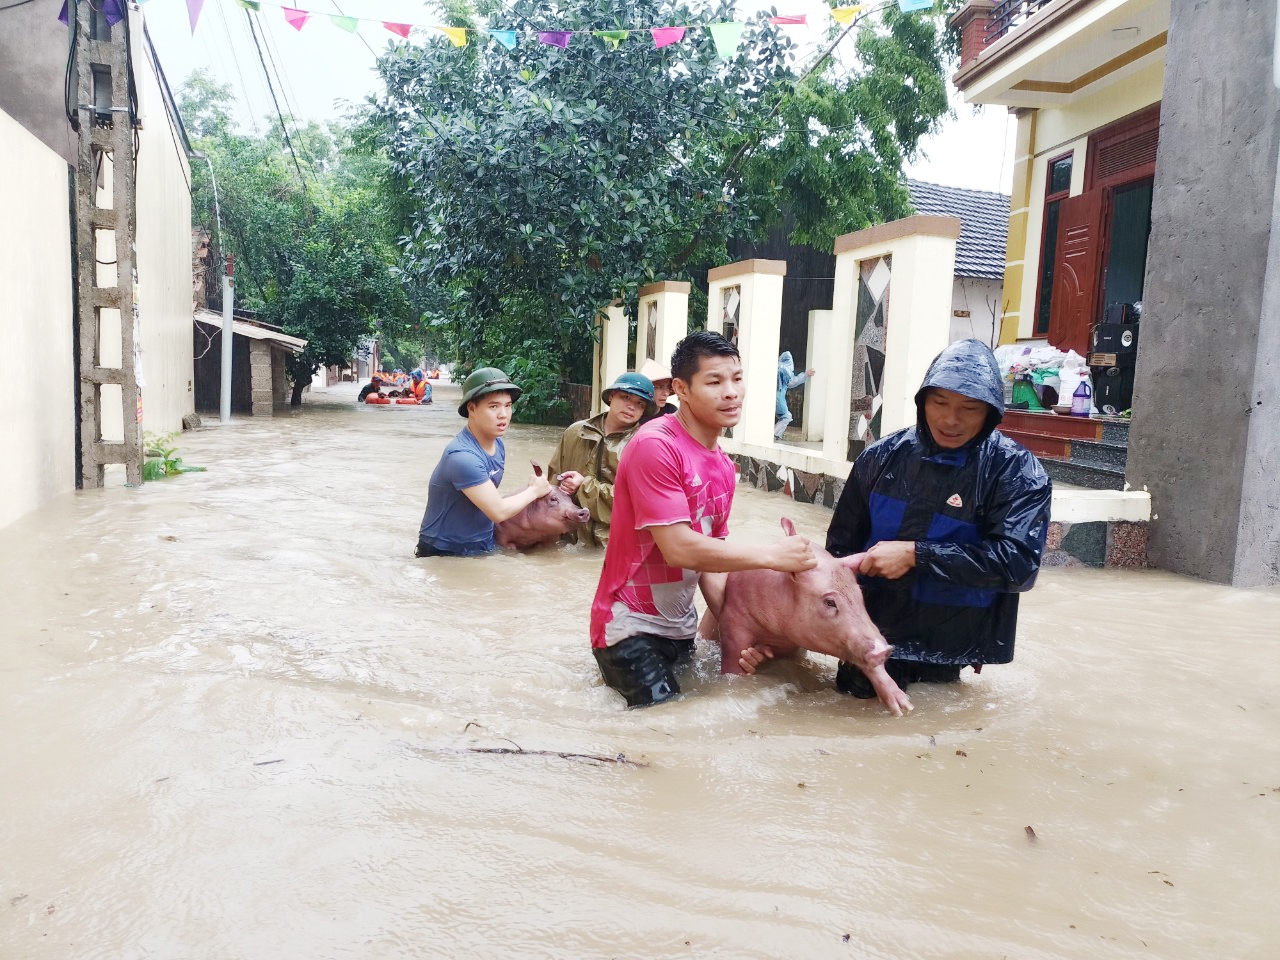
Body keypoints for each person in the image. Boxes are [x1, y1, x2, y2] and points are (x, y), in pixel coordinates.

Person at [589, 331, 818, 708]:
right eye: (714, 382)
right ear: (681, 389)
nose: (731, 392)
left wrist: (742, 632)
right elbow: (679, 549)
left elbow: (713, 562)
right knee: (664, 722)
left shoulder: (725, 466)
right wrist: (772, 556)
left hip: (681, 628)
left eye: (737, 378)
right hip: (627, 626)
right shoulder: (655, 445)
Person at [823, 338, 1052, 697]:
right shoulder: (879, 458)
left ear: (991, 412)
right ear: (923, 401)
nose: (950, 420)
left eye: (969, 408)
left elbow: (1018, 565)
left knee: (936, 719)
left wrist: (917, 555)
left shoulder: (1016, 471)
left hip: (951, 644)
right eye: (939, 402)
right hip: (871, 637)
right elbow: (838, 553)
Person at [414, 366, 552, 557]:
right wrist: (534, 491)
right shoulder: (462, 457)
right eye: (493, 406)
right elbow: (498, 511)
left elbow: (490, 501)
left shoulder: (498, 444)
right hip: (444, 553)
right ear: (472, 408)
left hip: (482, 544)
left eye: (508, 405)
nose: (503, 414)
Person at [549, 372, 655, 548]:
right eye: (626, 397)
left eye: (640, 403)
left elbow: (635, 502)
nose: (631, 407)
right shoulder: (575, 432)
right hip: (570, 541)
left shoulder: (645, 445)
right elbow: (552, 484)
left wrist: (583, 485)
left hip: (617, 546)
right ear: (611, 396)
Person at [774, 351, 815, 440]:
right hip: (778, 398)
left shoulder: (774, 366)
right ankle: (775, 433)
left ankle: (776, 434)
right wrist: (805, 374)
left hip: (769, 396)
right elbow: (792, 382)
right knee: (786, 416)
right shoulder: (784, 369)